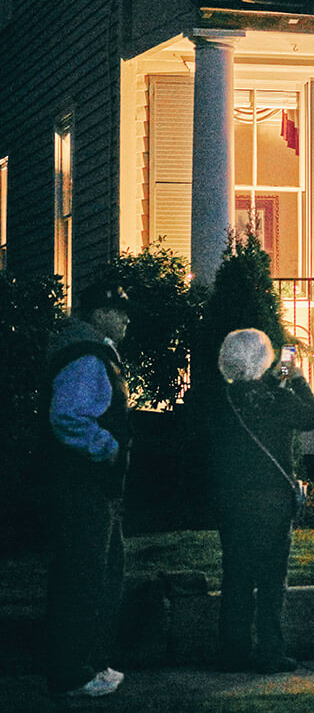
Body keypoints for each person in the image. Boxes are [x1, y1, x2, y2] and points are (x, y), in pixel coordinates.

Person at [209, 328, 314, 673]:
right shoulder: (277, 398)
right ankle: (270, 651)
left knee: (237, 576)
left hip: (233, 500)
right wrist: (296, 377)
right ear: (263, 360)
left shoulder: (221, 400)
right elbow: (312, 417)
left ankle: (233, 650)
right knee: (272, 580)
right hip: (272, 499)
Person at [42, 281, 133, 699]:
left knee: (98, 574)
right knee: (85, 576)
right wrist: (109, 448)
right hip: (86, 486)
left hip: (91, 486)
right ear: (98, 314)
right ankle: (74, 671)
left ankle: (87, 664)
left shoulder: (89, 353)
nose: (126, 319)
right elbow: (69, 417)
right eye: (119, 311)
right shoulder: (87, 357)